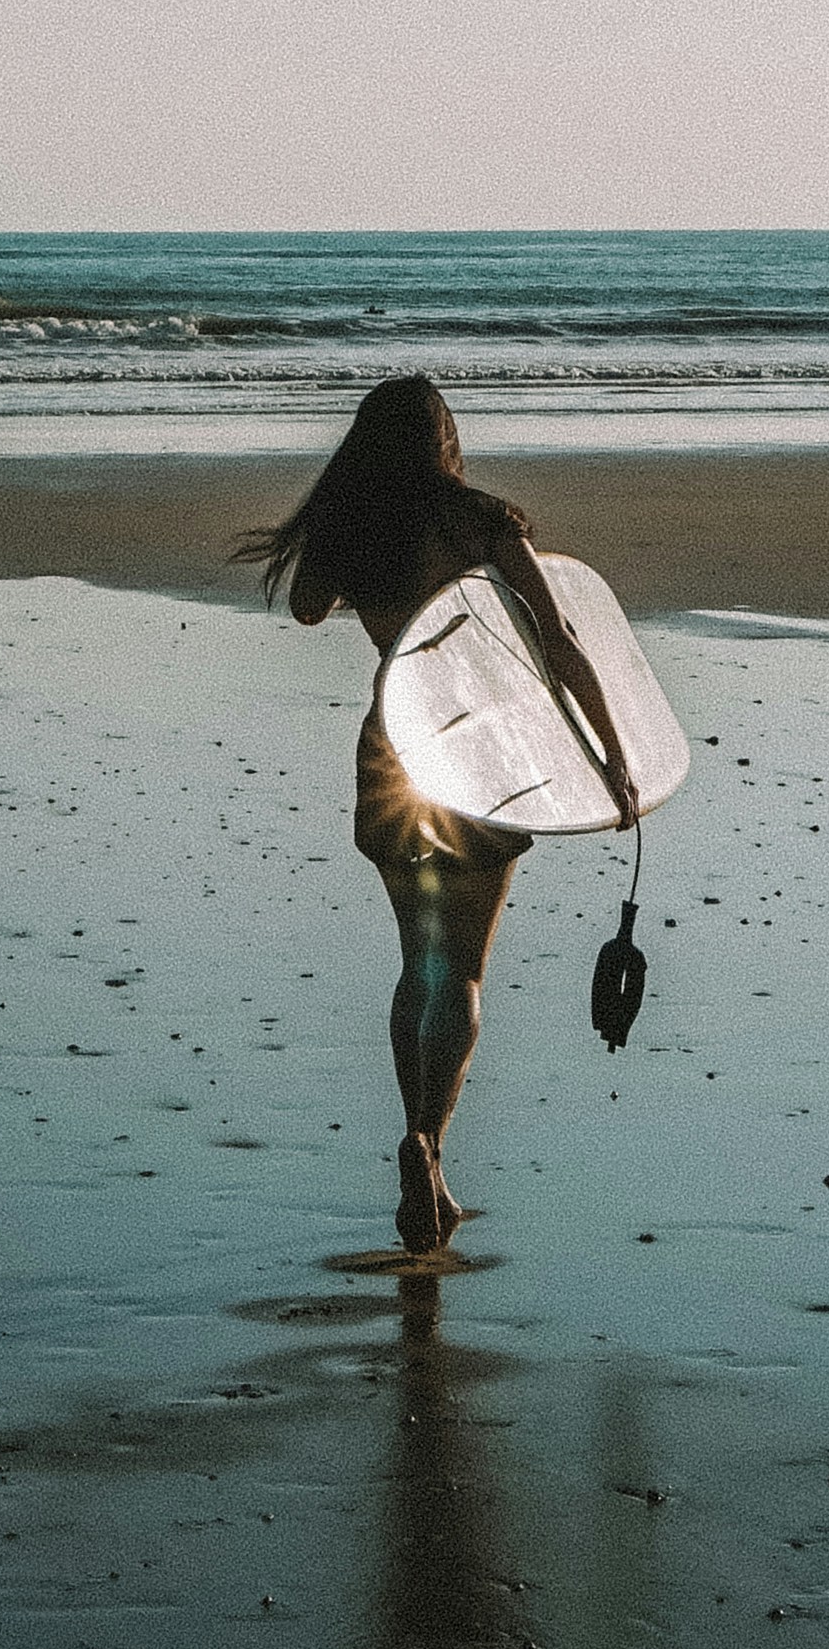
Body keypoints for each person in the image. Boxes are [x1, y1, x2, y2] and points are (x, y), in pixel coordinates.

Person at [247, 373, 636, 1253]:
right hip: (477, 760)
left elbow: (309, 607)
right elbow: (560, 639)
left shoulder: (354, 527)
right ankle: (432, 1140)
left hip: (393, 747)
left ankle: (417, 1140)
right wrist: (615, 756)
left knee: (416, 963)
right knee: (461, 972)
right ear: (444, 440)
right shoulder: (481, 520)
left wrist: (351, 533)